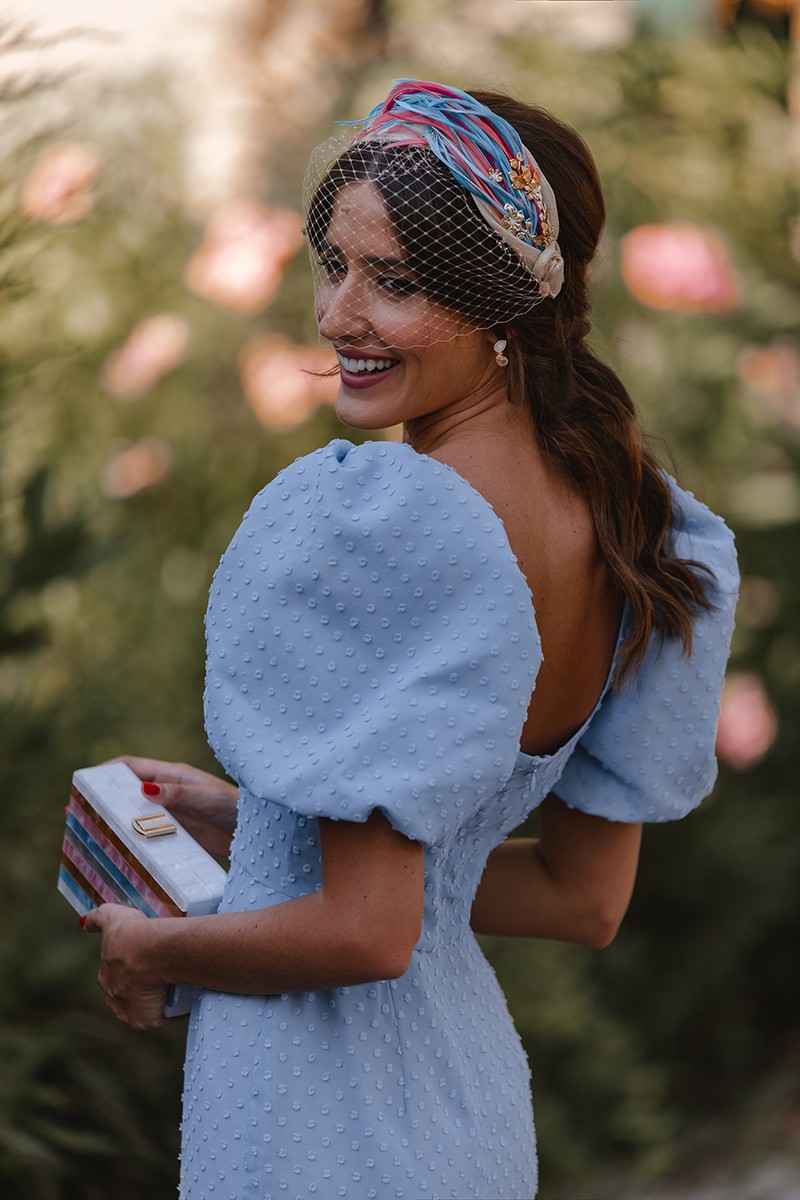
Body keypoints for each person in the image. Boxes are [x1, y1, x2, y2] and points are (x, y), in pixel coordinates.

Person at [84, 80, 739, 1198]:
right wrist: (261, 827)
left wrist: (155, 949)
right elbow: (573, 898)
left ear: (502, 298)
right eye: (334, 265)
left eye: (393, 282)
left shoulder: (395, 523)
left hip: (317, 1116)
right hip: (460, 1110)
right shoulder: (627, 518)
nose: (337, 317)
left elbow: (366, 933)